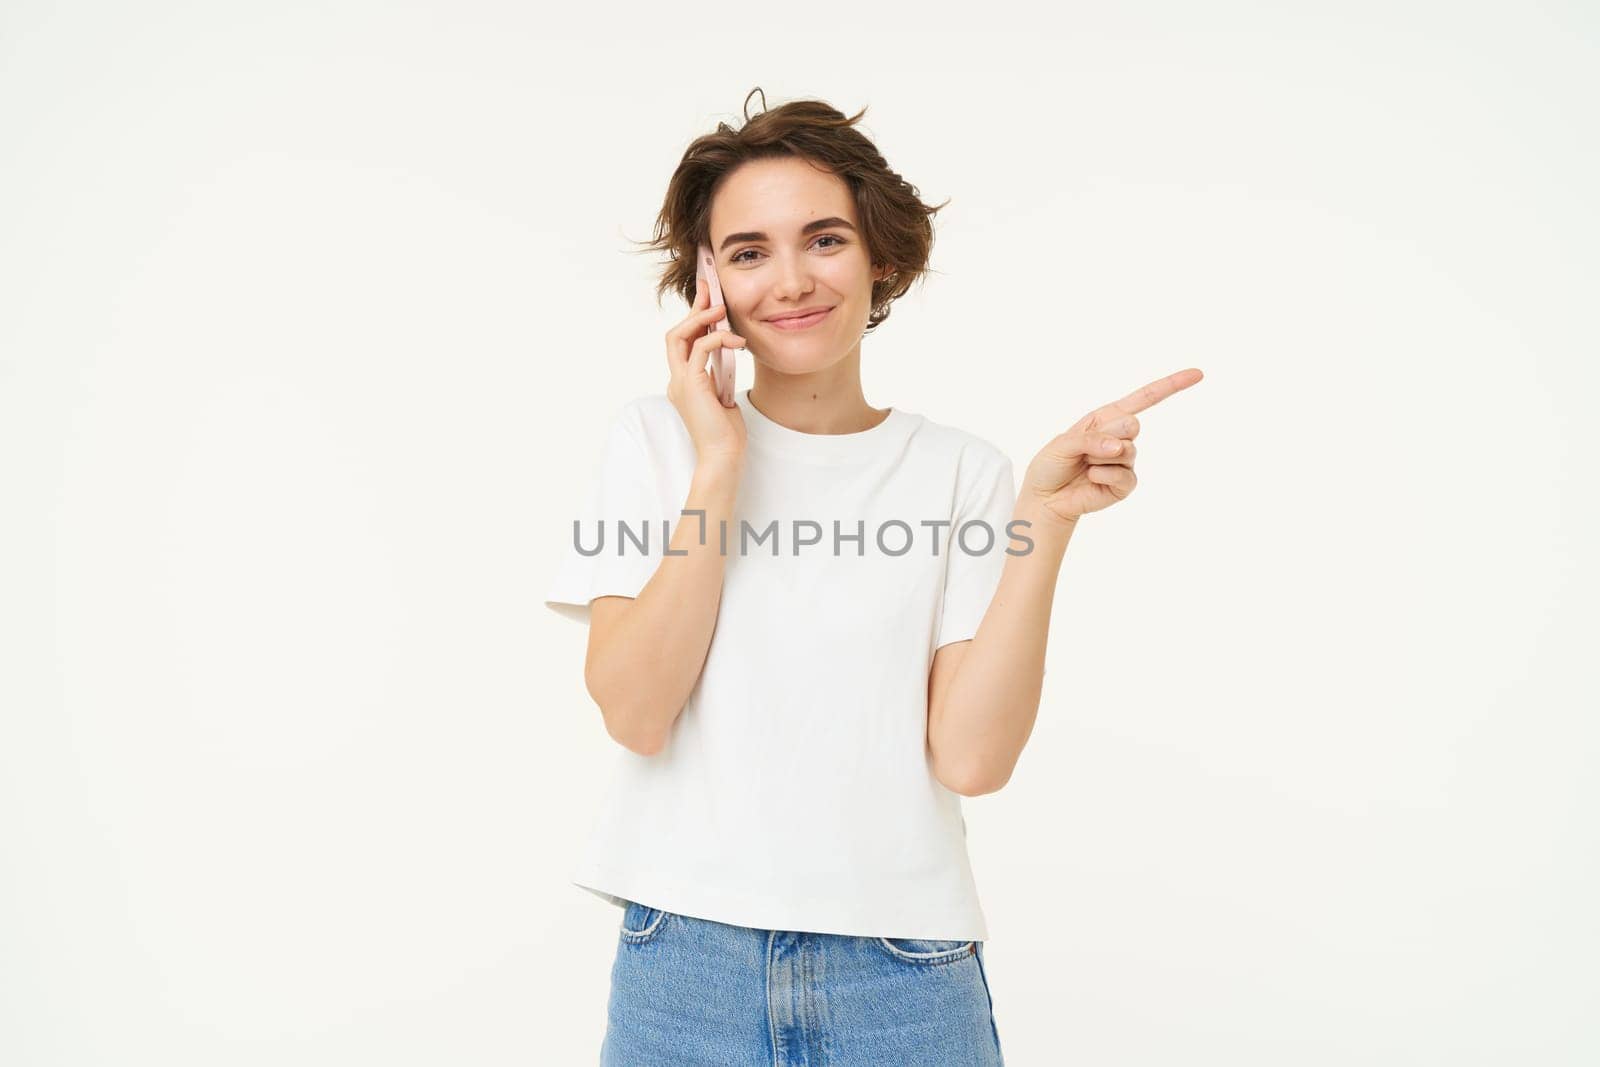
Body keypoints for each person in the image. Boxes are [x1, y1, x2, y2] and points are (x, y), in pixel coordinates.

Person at [544, 87, 1202, 1066]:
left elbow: (972, 757)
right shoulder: (654, 442)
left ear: (879, 255)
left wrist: (1045, 521)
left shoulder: (964, 473)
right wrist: (720, 461)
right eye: (748, 251)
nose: (792, 279)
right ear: (706, 281)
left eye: (824, 239)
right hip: (682, 963)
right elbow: (636, 709)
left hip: (901, 972)